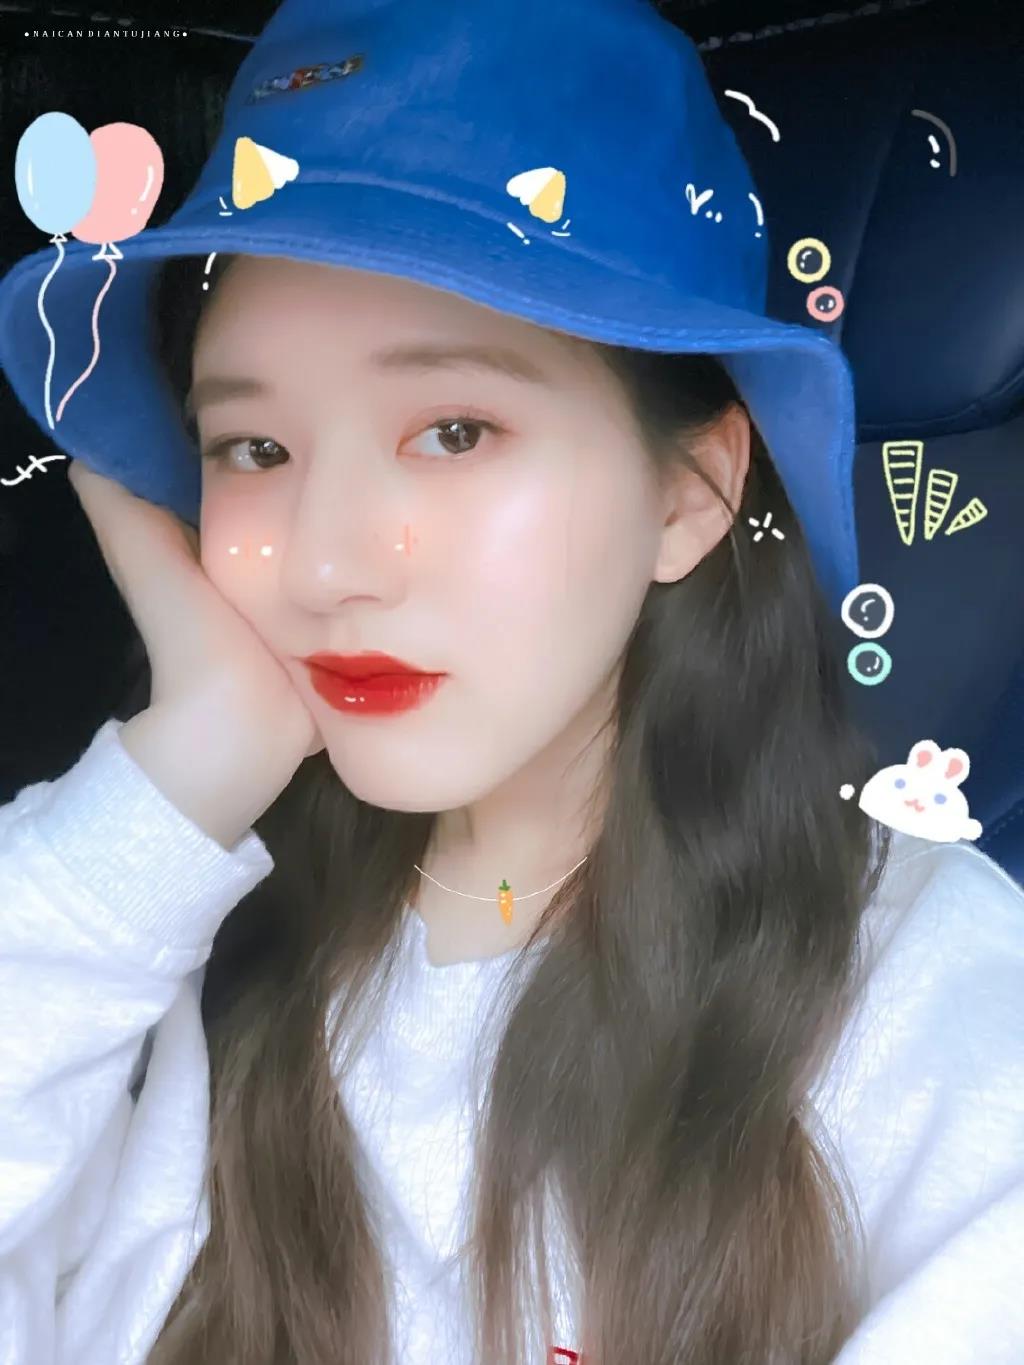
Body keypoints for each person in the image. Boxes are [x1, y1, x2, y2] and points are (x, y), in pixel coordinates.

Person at [0, 2, 1022, 1363]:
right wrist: (179, 777)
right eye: (254, 449)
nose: (325, 565)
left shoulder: (933, 1003)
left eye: (454, 431)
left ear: (691, 490)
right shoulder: (163, 938)